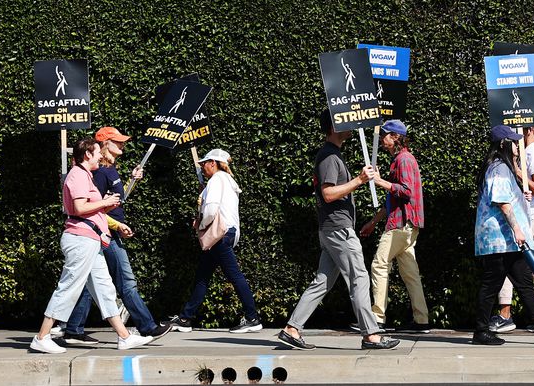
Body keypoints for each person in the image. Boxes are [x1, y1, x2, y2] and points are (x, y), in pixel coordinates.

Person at [278, 110, 399, 350]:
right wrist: (359, 180)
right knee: (359, 278)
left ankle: (291, 329)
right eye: (345, 123)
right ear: (333, 128)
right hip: (339, 229)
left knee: (322, 281)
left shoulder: (332, 155)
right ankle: (371, 334)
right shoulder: (329, 157)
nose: (351, 126)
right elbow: (328, 193)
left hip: (332, 228)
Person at [30, 137, 153, 353]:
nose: (100, 156)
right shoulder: (78, 175)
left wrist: (105, 206)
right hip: (81, 239)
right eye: (97, 153)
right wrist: (105, 202)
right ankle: (42, 336)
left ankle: (124, 337)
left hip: (90, 239)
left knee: (105, 288)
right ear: (87, 154)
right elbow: (78, 207)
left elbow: (89, 208)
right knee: (69, 286)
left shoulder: (84, 175)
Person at [60, 127, 174, 344]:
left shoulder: (110, 169)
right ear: (104, 144)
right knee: (125, 280)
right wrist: (117, 225)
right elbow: (93, 207)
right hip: (106, 232)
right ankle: (147, 326)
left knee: (87, 280)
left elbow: (116, 201)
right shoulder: (100, 173)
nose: (122, 144)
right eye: (117, 141)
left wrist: (132, 181)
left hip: (108, 231)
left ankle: (73, 329)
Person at [471, 125, 534, 345]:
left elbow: (507, 198)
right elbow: (502, 202)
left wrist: (520, 197)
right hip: (500, 239)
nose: (518, 145)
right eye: (515, 142)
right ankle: (481, 331)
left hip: (506, 240)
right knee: (491, 284)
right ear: (505, 144)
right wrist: (517, 228)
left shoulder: (502, 167)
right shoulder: (499, 168)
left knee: (523, 282)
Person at [166, 149, 262, 333]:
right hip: (227, 234)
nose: (202, 166)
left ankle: (253, 318)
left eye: (205, 163)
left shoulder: (217, 180)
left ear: (213, 163)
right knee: (203, 276)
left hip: (220, 235)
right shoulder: (228, 181)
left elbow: (211, 209)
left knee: (234, 276)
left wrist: (201, 223)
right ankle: (185, 318)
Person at [359, 119, 431, 332]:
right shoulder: (401, 159)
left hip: (401, 224)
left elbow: (406, 191)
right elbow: (394, 199)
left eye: (385, 135)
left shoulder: (404, 159)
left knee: (379, 264)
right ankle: (422, 321)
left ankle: (377, 319)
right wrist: (373, 222)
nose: (382, 140)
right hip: (407, 224)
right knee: (410, 273)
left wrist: (379, 181)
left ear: (396, 137)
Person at [490, 125, 534, 333]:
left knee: (509, 255)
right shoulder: (526, 152)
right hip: (530, 215)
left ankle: (505, 314)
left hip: (533, 217)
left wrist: (519, 172)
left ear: (529, 129)